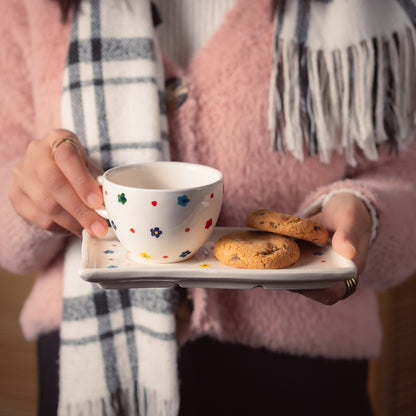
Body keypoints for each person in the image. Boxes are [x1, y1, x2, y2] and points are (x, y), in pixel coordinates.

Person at [1, 0, 416, 415]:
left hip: (305, 375)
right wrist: (29, 197)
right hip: (93, 368)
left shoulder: (368, 11)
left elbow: (404, 184)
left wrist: (366, 211)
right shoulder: (28, 7)